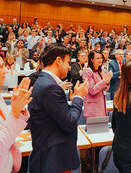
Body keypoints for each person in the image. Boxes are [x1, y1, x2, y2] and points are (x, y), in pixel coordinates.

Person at [28, 43, 89, 172]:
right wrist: (78, 97)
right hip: (54, 158)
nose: (68, 67)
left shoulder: (45, 82)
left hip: (50, 154)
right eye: (67, 62)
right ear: (58, 60)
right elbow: (69, 121)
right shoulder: (50, 87)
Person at [0, 51, 32, 172]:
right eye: (0, 67)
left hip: (7, 164)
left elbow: (8, 125)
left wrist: (19, 107)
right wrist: (14, 112)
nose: (5, 70)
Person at [83, 50, 113, 119]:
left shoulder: (100, 71)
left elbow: (105, 88)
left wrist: (107, 82)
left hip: (101, 106)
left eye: (101, 58)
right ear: (91, 59)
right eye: (97, 58)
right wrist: (104, 81)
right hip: (93, 108)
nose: (100, 60)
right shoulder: (88, 71)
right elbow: (92, 90)